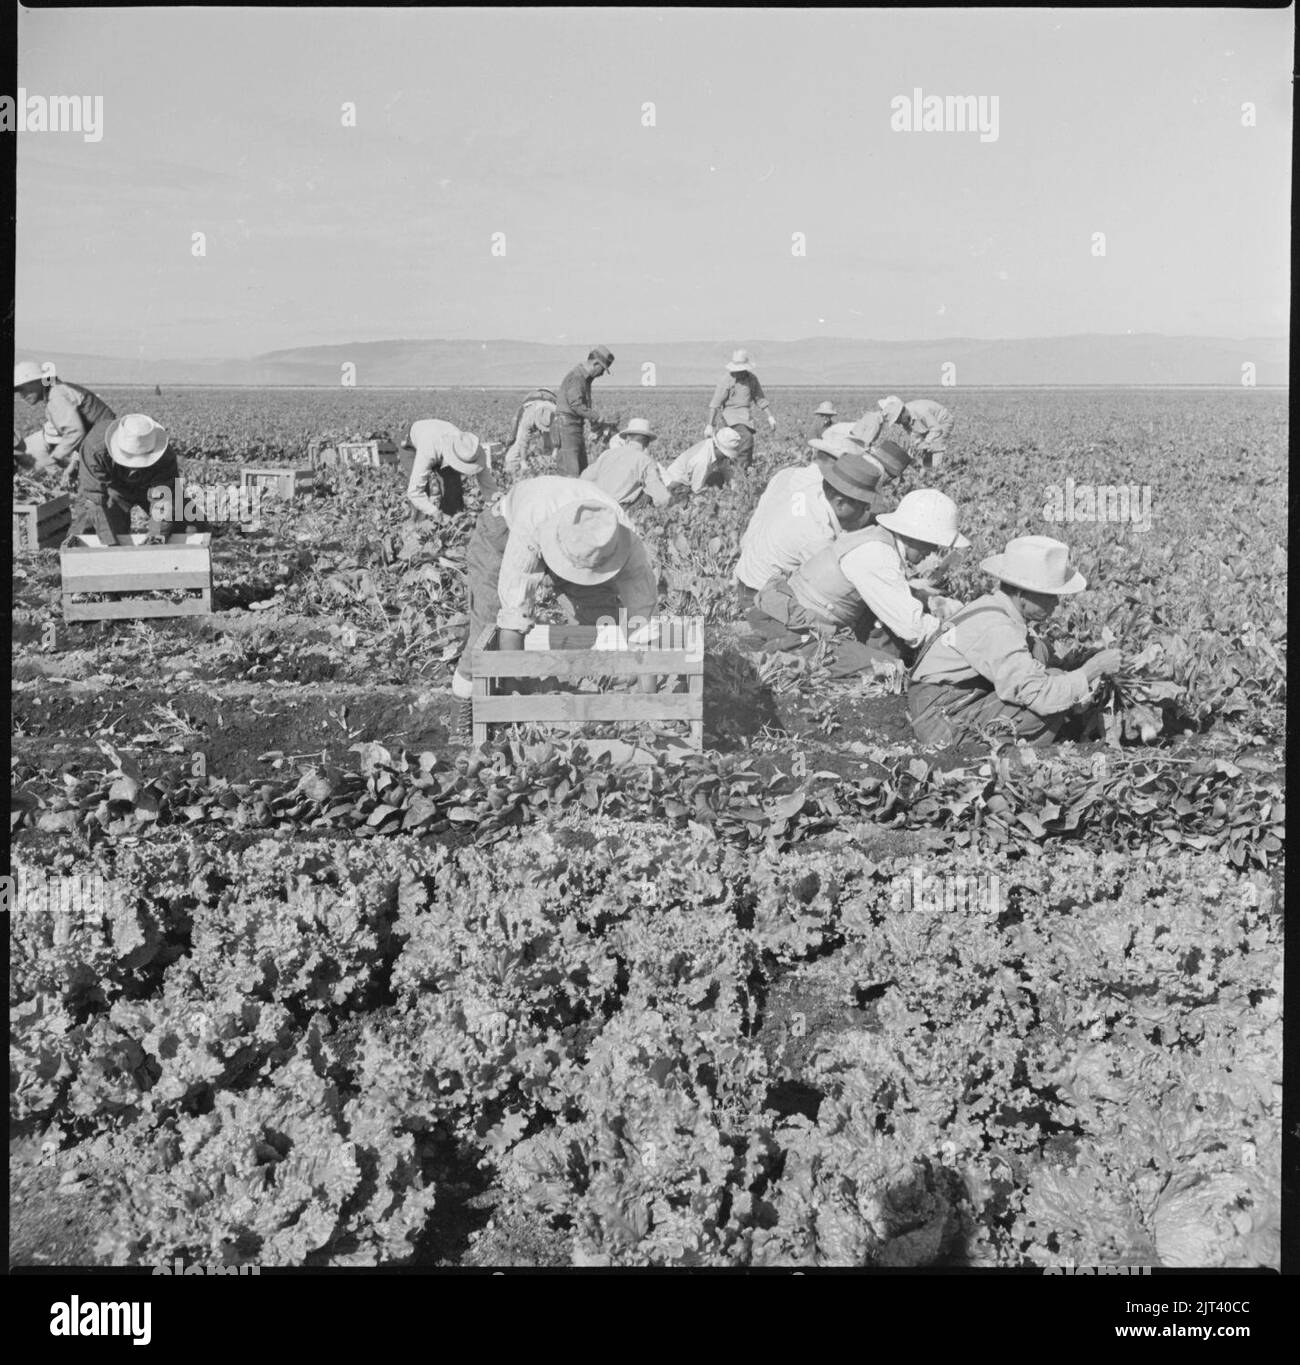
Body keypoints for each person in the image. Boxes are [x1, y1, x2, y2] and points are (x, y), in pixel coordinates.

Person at [449, 476, 661, 741]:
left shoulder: (619, 539)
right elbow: (513, 617)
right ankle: (463, 708)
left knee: (599, 617)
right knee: (487, 623)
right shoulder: (532, 522)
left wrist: (647, 698)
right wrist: (516, 696)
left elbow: (642, 618)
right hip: (503, 533)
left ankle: (596, 694)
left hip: (580, 543)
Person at [908, 535, 1122, 747]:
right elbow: (1041, 696)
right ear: (1022, 595)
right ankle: (998, 752)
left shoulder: (993, 605)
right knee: (1049, 705)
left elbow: (1027, 656)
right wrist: (1091, 670)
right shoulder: (999, 629)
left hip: (938, 700)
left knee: (1052, 673)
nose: (1056, 604)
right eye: (1049, 596)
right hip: (939, 719)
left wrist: (1070, 662)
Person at [751, 489, 968, 671]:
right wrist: (962, 637)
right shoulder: (878, 556)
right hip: (796, 630)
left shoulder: (877, 537)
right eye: (930, 543)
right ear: (912, 535)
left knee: (884, 632)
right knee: (891, 670)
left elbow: (896, 593)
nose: (932, 552)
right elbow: (914, 629)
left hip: (795, 614)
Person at [732, 438, 881, 612]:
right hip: (758, 597)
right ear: (840, 503)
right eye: (864, 506)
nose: (866, 511)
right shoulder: (817, 535)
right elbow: (835, 586)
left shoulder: (812, 491)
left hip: (749, 577)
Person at [64, 412, 181, 545]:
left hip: (149, 487)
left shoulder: (164, 456)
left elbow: (163, 500)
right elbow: (93, 497)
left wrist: (157, 537)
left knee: (188, 526)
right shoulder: (95, 447)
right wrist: (110, 544)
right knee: (91, 530)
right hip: (112, 490)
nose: (134, 468)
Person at [14, 360, 117, 486]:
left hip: (104, 445)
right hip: (107, 442)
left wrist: (53, 458)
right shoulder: (57, 389)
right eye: (18, 390)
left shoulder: (56, 397)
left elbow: (75, 432)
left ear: (37, 382)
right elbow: (84, 432)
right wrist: (74, 462)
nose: (22, 395)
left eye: (23, 388)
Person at [403, 419, 498, 523]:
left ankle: (453, 525)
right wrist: (435, 513)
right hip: (410, 442)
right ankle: (418, 529)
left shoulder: (470, 449)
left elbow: (489, 487)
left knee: (453, 488)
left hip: (436, 438)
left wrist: (497, 509)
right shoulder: (428, 451)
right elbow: (414, 492)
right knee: (422, 491)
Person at [706, 349, 775, 471]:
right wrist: (710, 425)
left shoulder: (752, 379)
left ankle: (742, 469)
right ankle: (741, 472)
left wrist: (770, 417)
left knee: (744, 445)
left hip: (746, 417)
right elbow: (715, 403)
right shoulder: (726, 380)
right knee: (746, 438)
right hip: (730, 416)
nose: (737, 373)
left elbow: (760, 399)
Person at [581, 418, 671, 510]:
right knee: (647, 493)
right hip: (619, 509)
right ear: (647, 443)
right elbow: (661, 498)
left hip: (596, 505)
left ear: (627, 438)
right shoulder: (645, 460)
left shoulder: (607, 453)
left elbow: (584, 477)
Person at [555, 346, 617, 476]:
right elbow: (576, 405)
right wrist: (596, 417)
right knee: (571, 472)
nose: (602, 374)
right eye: (602, 369)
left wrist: (593, 421)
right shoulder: (577, 377)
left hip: (574, 427)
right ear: (595, 364)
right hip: (567, 427)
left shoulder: (585, 379)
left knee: (581, 470)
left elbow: (583, 405)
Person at [659, 426, 744, 495]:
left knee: (718, 477)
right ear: (716, 446)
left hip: (690, 478)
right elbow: (696, 490)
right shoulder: (703, 460)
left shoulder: (713, 447)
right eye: (725, 454)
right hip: (677, 484)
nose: (727, 457)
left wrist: (735, 489)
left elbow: (726, 469)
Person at [503, 388, 558, 475]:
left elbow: (560, 436)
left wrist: (555, 450)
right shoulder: (528, 417)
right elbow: (523, 441)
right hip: (532, 410)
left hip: (551, 402)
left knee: (549, 444)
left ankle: (548, 464)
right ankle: (512, 467)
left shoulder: (556, 415)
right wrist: (523, 462)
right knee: (517, 446)